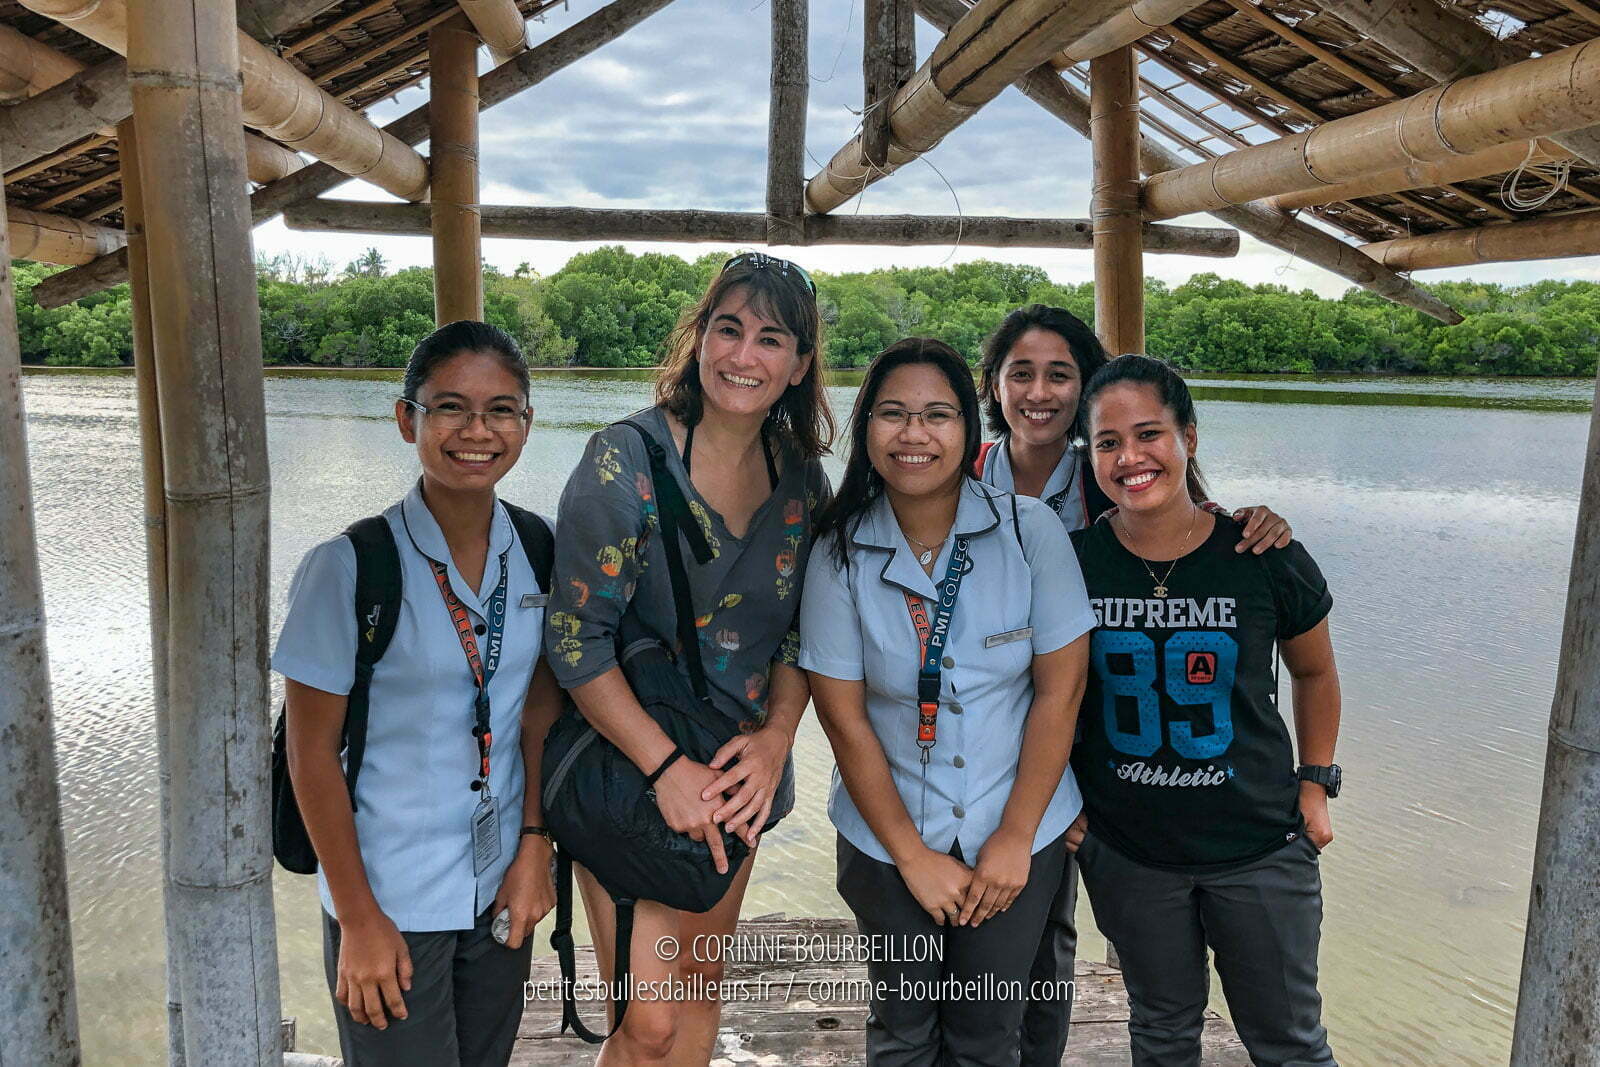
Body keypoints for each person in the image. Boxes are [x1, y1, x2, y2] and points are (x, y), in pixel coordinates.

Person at [975, 304, 1295, 1066]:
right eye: (1021, 373)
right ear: (993, 385)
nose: (1040, 392)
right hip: (977, 736)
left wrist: (1261, 525)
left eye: (1061, 374)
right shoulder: (961, 471)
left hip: (1083, 757)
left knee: (1049, 931)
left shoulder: (1114, 484)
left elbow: (1196, 539)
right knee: (980, 939)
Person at [544, 252, 832, 1064]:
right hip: (630, 772)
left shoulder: (803, 481)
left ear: (799, 364)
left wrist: (776, 739)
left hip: (740, 779)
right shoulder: (623, 460)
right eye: (728, 329)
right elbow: (574, 638)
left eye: (770, 339)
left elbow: (803, 633)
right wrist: (668, 768)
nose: (744, 355)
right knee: (648, 1023)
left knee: (701, 987)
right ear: (698, 338)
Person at [800, 337, 1096, 1066]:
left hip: (1017, 829)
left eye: (937, 415)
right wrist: (912, 856)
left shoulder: (1030, 529)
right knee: (902, 1032)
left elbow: (1060, 693)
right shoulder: (837, 550)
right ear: (867, 427)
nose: (915, 434)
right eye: (893, 413)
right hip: (887, 834)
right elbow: (844, 719)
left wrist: (1014, 838)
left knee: (988, 1035)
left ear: (968, 428)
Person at [275, 321, 563, 1067]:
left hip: (500, 882)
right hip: (388, 894)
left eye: (501, 410)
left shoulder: (541, 550)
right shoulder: (349, 567)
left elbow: (538, 711)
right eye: (450, 408)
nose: (478, 431)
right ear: (408, 419)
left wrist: (535, 846)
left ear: (527, 423)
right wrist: (359, 919)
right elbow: (311, 756)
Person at [1068, 354, 1341, 1066]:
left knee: (1289, 1042)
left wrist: (1316, 783)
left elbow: (1315, 671)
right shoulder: (1070, 563)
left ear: (1188, 437)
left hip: (1260, 848)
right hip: (1130, 854)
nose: (1130, 457)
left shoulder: (1263, 553)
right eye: (1107, 442)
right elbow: (1044, 696)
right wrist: (1064, 808)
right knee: (1161, 1031)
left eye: (1149, 434)